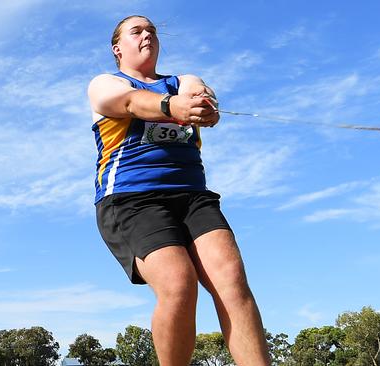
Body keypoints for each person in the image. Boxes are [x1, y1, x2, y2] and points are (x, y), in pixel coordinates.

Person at [88, 15, 271, 366]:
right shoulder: (105, 83)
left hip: (192, 196)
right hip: (132, 199)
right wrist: (170, 107)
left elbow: (199, 93)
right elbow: (126, 102)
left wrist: (202, 105)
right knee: (179, 284)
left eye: (152, 31)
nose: (147, 36)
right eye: (136, 31)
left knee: (231, 280)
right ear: (117, 48)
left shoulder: (182, 80)